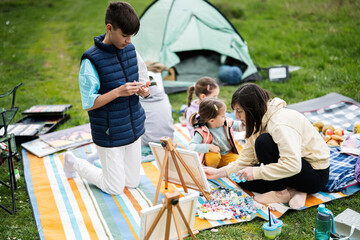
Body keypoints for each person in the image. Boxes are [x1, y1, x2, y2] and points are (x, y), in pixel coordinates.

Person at [63, 1, 150, 195]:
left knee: (133, 183)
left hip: (133, 127)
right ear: (109, 28)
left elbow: (145, 80)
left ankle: (101, 158)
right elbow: (89, 104)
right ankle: (74, 162)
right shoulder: (91, 60)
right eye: (125, 35)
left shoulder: (131, 50)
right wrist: (118, 91)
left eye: (131, 36)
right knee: (114, 188)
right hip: (109, 131)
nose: (128, 41)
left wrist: (144, 90)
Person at [203, 83, 330, 209]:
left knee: (264, 142)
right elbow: (246, 159)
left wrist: (256, 172)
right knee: (242, 177)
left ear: (252, 109)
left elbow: (293, 165)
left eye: (239, 111)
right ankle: (294, 191)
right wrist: (217, 173)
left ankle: (281, 193)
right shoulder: (257, 121)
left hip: (314, 175)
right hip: (294, 169)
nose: (236, 117)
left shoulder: (280, 124)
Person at [188, 98, 244, 168]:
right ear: (212, 121)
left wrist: (248, 125)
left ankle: (222, 167)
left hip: (227, 154)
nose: (225, 117)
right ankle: (212, 169)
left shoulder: (226, 122)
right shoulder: (202, 131)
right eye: (222, 116)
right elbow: (191, 147)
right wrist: (209, 147)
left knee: (238, 163)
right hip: (212, 158)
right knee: (213, 157)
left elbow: (239, 126)